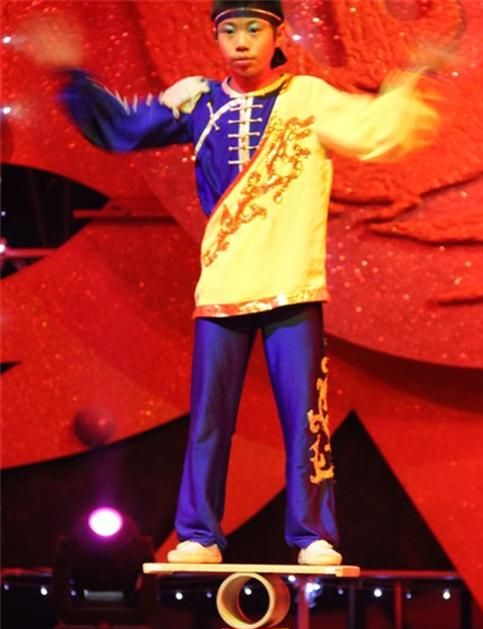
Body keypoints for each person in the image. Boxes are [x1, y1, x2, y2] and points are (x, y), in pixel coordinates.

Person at [27, 0, 438, 565]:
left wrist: (415, 76)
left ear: (277, 36)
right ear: (216, 39)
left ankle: (312, 534)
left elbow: (373, 130)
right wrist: (71, 77)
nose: (241, 42)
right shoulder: (199, 101)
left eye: (253, 29)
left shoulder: (306, 98)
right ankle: (199, 534)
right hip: (224, 283)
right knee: (209, 418)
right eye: (229, 31)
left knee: (305, 417)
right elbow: (121, 131)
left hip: (292, 283)